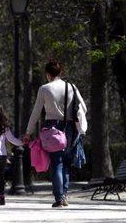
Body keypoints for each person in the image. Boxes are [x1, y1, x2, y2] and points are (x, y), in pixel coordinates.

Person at [22, 58, 87, 208]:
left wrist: (28, 132)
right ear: (60, 72)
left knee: (56, 162)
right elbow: (83, 107)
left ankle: (59, 198)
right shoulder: (72, 87)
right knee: (65, 162)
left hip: (53, 128)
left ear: (47, 74)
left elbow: (36, 112)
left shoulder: (45, 89)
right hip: (70, 127)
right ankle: (64, 194)